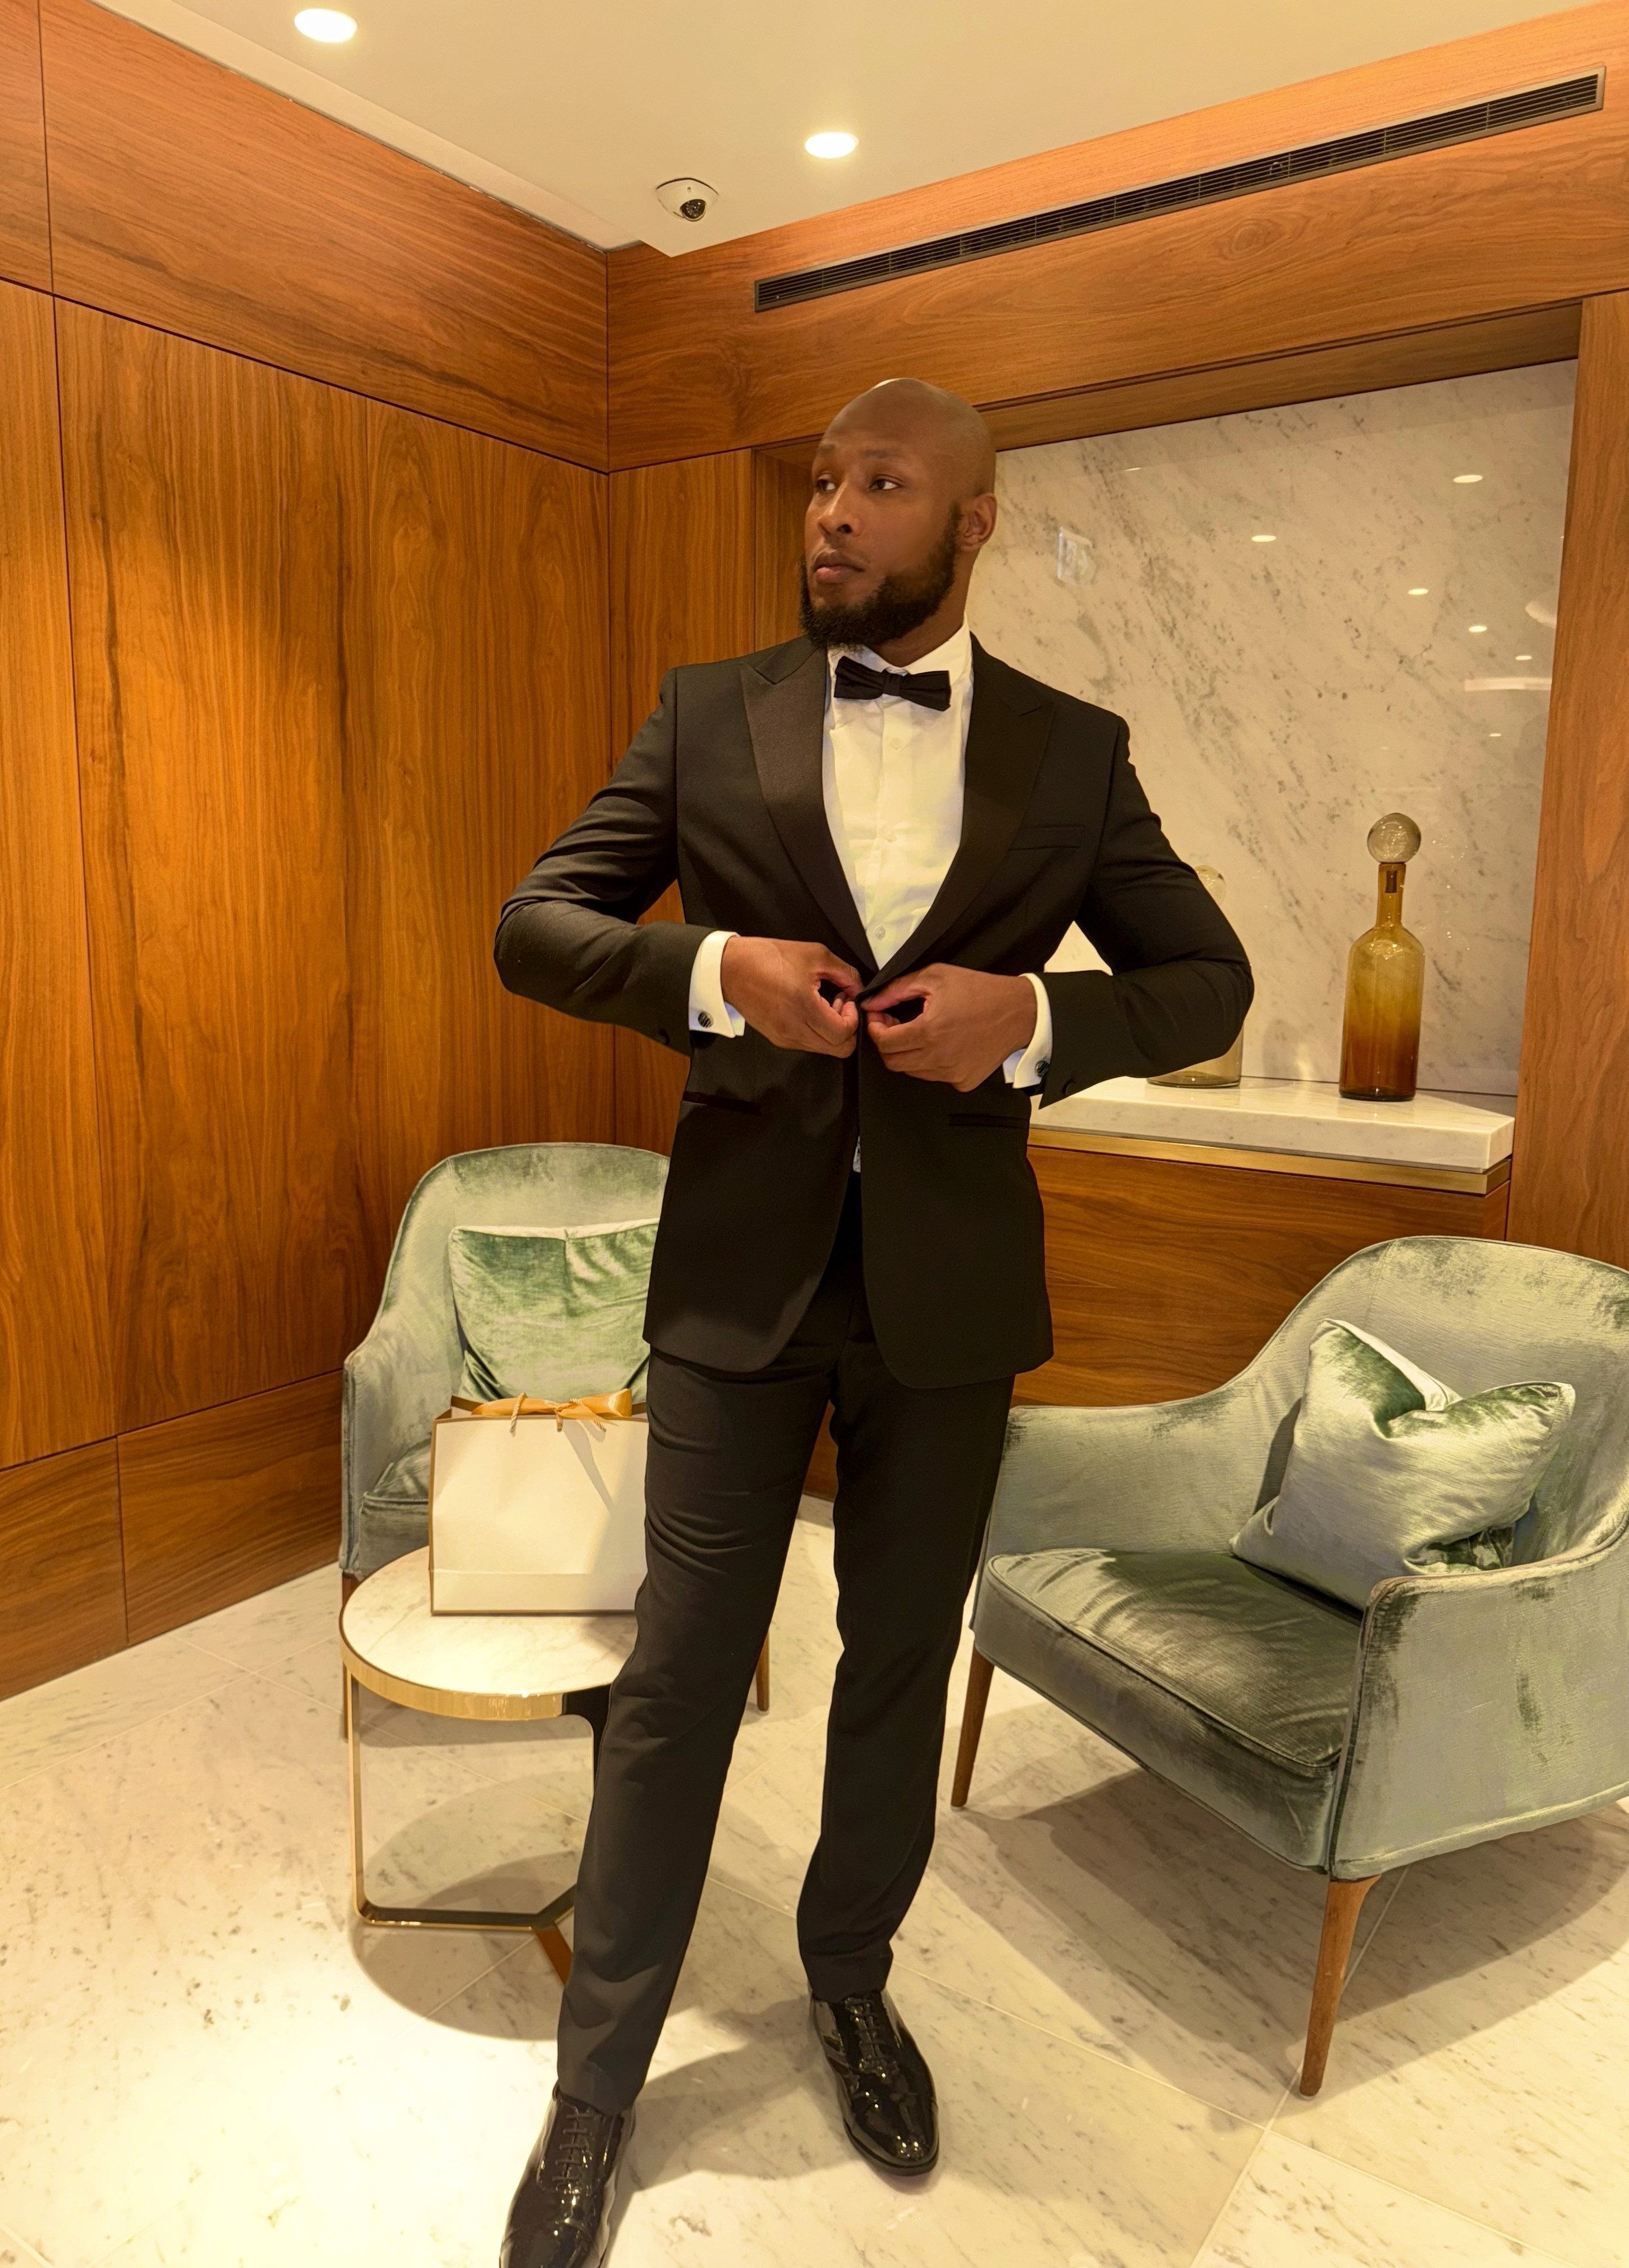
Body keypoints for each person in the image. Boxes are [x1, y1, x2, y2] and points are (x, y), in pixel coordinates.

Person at [494, 377, 1252, 2266]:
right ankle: (597, 2086)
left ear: (972, 520)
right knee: (676, 1682)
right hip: (734, 1291)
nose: (831, 512)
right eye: (822, 482)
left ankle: (850, 1983)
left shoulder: (1076, 757)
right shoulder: (706, 710)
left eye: (880, 485)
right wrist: (713, 973)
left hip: (954, 1303)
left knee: (897, 1670)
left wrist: (1043, 1022)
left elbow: (1211, 981)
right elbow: (538, 924)